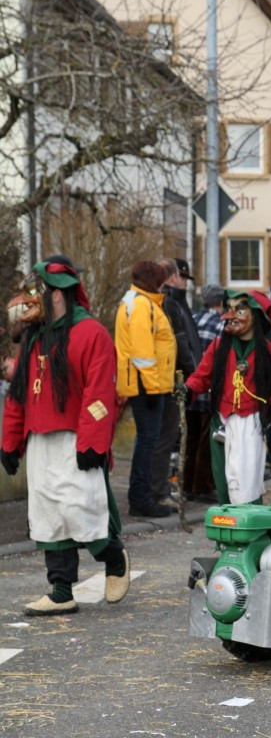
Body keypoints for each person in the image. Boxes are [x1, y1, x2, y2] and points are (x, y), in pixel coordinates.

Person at [2, 261, 130, 615]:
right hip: (40, 439)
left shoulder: (91, 334)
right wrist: (10, 441)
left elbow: (100, 393)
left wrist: (91, 442)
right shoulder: (34, 337)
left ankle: (113, 555)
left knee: (81, 510)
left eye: (36, 291)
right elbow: (19, 394)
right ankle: (61, 590)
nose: (28, 300)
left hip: (78, 438)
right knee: (48, 515)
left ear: (56, 294)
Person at [183, 290, 271, 505]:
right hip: (222, 423)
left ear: (255, 316)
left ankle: (250, 531)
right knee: (224, 481)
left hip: (252, 424)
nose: (231, 316)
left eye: (239, 310)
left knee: (248, 483)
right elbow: (201, 377)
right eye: (229, 309)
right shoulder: (218, 347)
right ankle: (227, 533)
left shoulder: (269, 352)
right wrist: (187, 390)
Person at [115, 260, 176, 517]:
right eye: (161, 280)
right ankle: (141, 499)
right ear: (153, 281)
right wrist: (152, 388)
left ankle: (141, 496)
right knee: (147, 442)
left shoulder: (141, 302)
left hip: (146, 384)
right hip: (146, 386)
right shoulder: (141, 305)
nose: (163, 285)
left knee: (147, 441)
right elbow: (143, 353)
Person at [151, 258, 202, 508]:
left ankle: (163, 485)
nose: (183, 283)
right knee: (165, 437)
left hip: (170, 378)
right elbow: (181, 342)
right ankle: (158, 489)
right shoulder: (169, 304)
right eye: (182, 278)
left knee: (169, 436)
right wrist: (192, 373)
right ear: (173, 278)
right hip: (170, 379)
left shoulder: (175, 303)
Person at [185, 283, 226, 499]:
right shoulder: (220, 324)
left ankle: (187, 484)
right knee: (205, 441)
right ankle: (202, 486)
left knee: (190, 439)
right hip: (206, 388)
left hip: (190, 386)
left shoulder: (193, 318)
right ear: (220, 301)